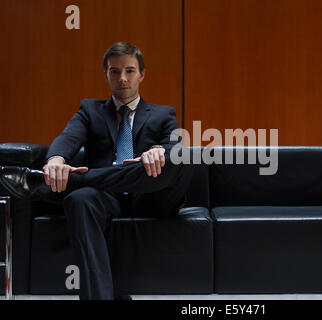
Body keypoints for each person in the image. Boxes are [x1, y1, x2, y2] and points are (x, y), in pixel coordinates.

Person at [0, 42, 193, 300]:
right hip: (106, 196)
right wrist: (56, 160)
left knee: (183, 157)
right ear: (106, 74)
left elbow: (173, 145)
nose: (122, 78)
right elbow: (68, 137)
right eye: (114, 71)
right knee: (79, 199)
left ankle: (74, 181)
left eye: (129, 70)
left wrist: (159, 151)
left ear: (142, 74)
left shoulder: (163, 113)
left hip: (151, 196)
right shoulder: (90, 111)